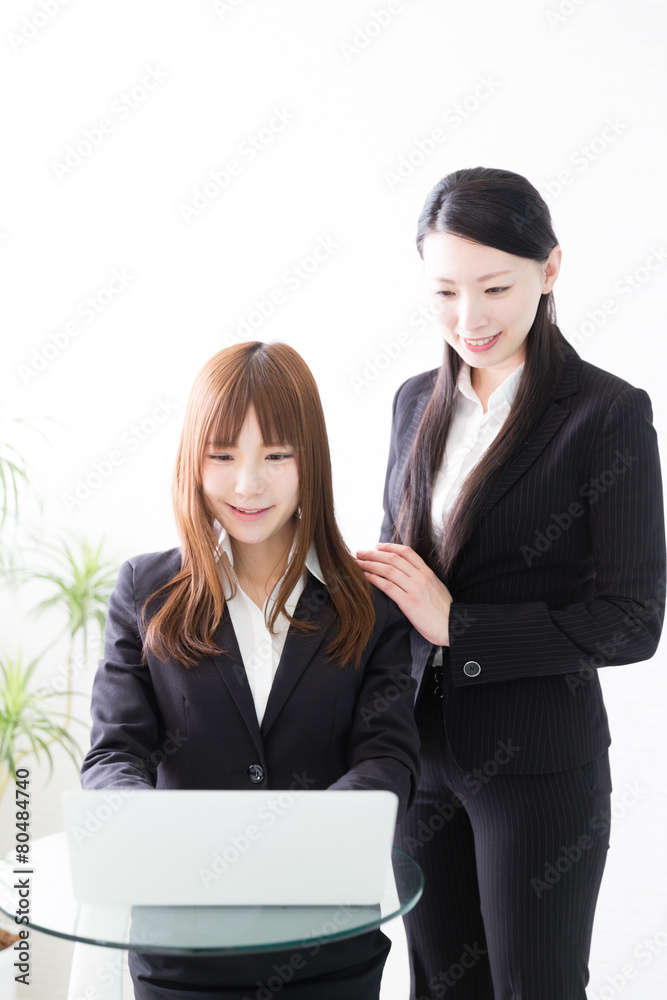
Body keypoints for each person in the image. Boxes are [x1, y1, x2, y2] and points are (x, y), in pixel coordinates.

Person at [355, 166, 666, 1000]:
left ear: (549, 270)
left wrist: (463, 626)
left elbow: (632, 621)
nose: (469, 318)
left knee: (535, 985)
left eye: (495, 286)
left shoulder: (605, 414)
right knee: (438, 986)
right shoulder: (411, 402)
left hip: (536, 765)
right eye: (445, 290)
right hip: (418, 756)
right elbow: (408, 574)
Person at [80, 341, 421, 1000]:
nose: (247, 484)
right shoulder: (145, 590)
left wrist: (301, 845)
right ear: (193, 462)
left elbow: (388, 756)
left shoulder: (370, 602)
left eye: (275, 455)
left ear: (309, 462)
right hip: (181, 954)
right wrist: (155, 836)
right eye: (223, 456)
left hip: (330, 952)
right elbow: (114, 751)